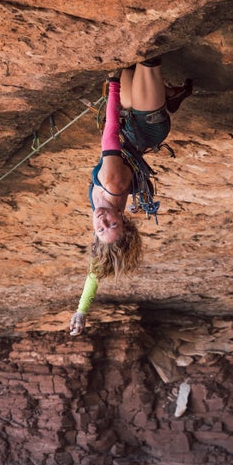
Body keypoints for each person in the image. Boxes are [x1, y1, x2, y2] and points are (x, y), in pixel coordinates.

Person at [69, 58, 192, 336]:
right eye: (112, 224)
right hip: (147, 125)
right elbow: (108, 133)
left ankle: (168, 96)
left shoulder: (101, 213)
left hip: (128, 122)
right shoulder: (113, 184)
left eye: (100, 229)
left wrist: (81, 310)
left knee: (130, 70)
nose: (103, 221)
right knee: (147, 61)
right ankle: (160, 99)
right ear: (125, 222)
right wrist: (111, 86)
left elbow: (95, 272)